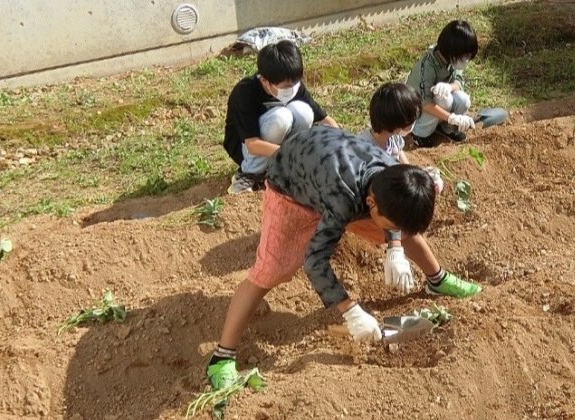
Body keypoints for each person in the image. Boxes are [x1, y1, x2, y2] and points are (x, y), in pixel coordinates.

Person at [206, 125, 482, 389]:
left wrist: (395, 246)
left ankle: (436, 280)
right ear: (371, 204)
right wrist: (351, 312)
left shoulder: (393, 175)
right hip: (291, 185)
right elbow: (315, 260)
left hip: (329, 163)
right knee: (273, 270)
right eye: (388, 224)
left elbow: (397, 218)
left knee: (402, 229)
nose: (390, 231)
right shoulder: (344, 198)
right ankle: (222, 356)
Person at [222, 40, 339, 194]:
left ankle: (284, 169)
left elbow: (324, 118)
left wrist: (342, 144)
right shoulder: (245, 92)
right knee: (281, 117)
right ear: (265, 80)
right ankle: (248, 175)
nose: (291, 89)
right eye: (285, 87)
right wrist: (291, 153)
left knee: (303, 111)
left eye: (295, 83)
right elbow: (252, 144)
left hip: (280, 150)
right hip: (245, 148)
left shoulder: (293, 85)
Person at [357, 82, 444, 194]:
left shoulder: (392, 136)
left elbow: (399, 152)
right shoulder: (365, 152)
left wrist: (415, 173)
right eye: (412, 119)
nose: (414, 123)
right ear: (397, 123)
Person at [406, 19, 479, 148]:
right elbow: (425, 103)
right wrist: (452, 117)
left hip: (440, 104)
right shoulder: (428, 65)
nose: (466, 61)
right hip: (417, 110)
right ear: (453, 51)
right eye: (465, 56)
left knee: (463, 99)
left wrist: (449, 86)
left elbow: (459, 81)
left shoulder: (452, 59)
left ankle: (447, 128)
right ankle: (420, 134)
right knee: (444, 100)